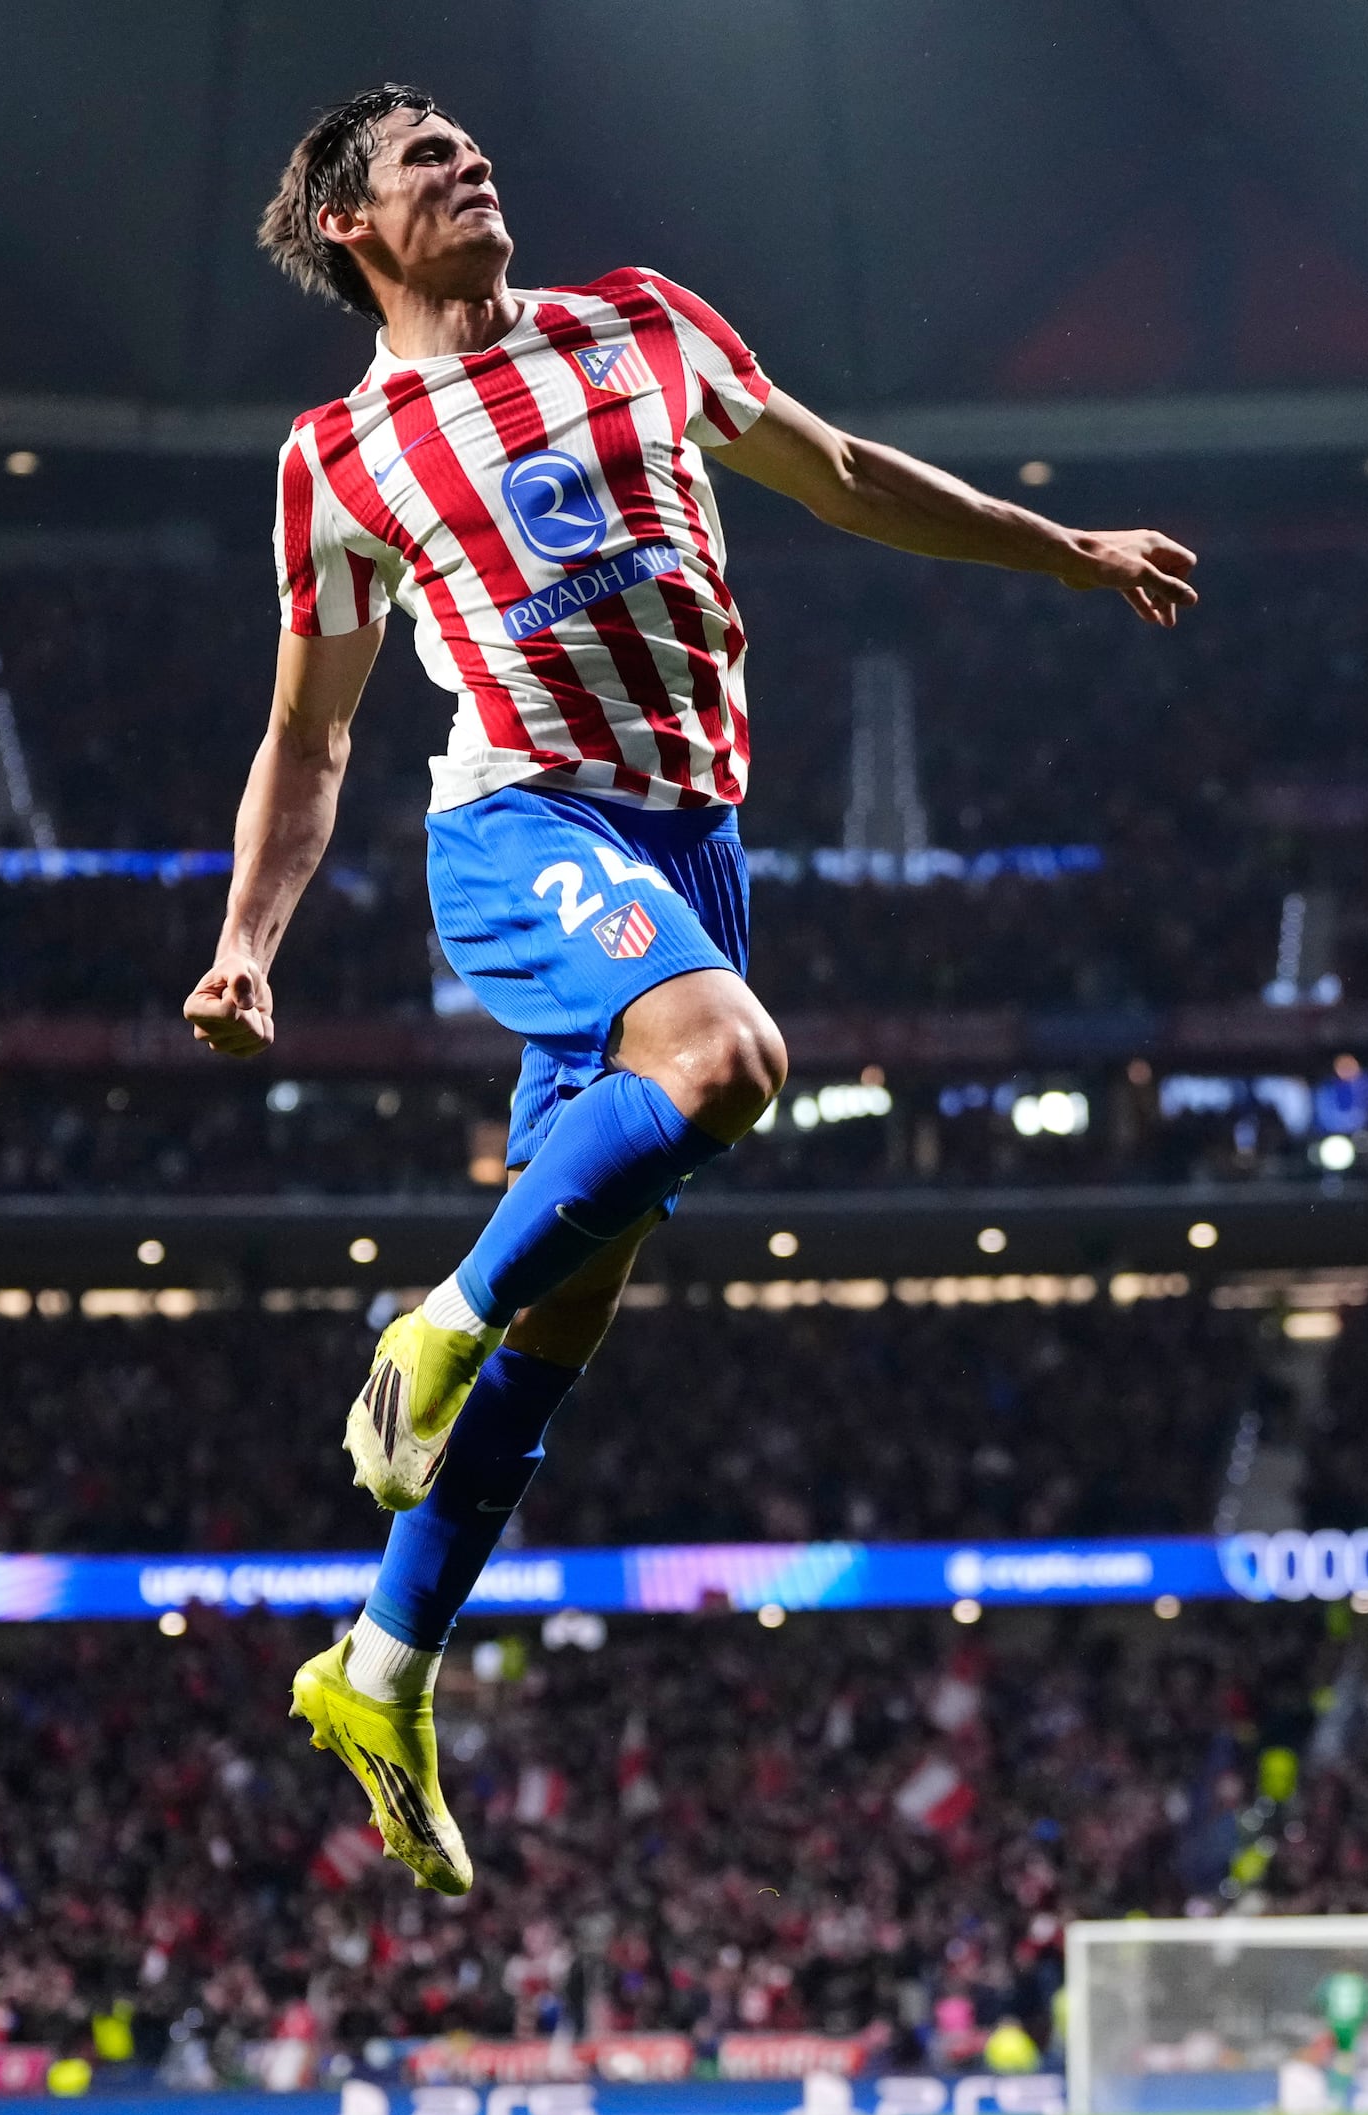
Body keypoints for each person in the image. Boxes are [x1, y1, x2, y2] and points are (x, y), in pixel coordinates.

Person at [184, 83, 1199, 1896]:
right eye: (424, 157)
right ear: (352, 224)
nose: (470, 160)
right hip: (523, 825)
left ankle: (382, 1667)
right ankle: (430, 1322)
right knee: (727, 1063)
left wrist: (1068, 550)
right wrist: (248, 942)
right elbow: (311, 735)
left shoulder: (645, 323)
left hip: (689, 846)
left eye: (472, 141)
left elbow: (852, 473)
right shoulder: (335, 460)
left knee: (582, 1305)